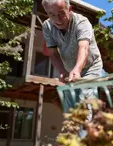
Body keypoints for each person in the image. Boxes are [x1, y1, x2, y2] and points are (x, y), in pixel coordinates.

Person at [41, 0, 103, 137]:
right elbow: (52, 54)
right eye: (52, 15)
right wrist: (63, 71)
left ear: (70, 9)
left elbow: (84, 47)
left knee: (83, 100)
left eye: (61, 14)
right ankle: (73, 140)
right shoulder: (47, 27)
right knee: (70, 106)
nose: (57, 19)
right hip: (69, 70)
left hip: (90, 67)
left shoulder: (82, 22)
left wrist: (77, 69)